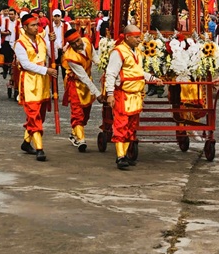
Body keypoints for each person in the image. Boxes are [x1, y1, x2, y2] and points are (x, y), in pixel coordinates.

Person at [104, 24, 155, 170]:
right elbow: (111, 73)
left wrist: (152, 78)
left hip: (136, 95)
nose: (140, 40)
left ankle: (125, 154)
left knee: (131, 127)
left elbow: (139, 72)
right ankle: (120, 156)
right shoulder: (118, 52)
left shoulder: (137, 52)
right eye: (137, 37)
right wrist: (110, 94)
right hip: (123, 95)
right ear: (127, 37)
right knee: (121, 125)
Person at [14, 13, 56, 161]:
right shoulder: (20, 43)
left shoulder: (41, 40)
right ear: (25, 27)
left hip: (43, 83)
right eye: (33, 25)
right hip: (30, 82)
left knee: (41, 115)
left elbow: (54, 56)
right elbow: (25, 65)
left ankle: (26, 142)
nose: (36, 28)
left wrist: (53, 42)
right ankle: (39, 149)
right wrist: (46, 70)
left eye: (37, 25)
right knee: (34, 115)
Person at [61, 27, 100, 152]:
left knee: (86, 112)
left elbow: (95, 58)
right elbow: (82, 77)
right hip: (75, 84)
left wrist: (106, 66)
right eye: (73, 43)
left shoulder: (87, 42)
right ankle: (81, 140)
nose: (77, 44)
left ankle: (74, 134)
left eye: (78, 40)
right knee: (77, 112)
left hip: (88, 81)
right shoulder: (70, 56)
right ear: (70, 45)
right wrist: (97, 93)